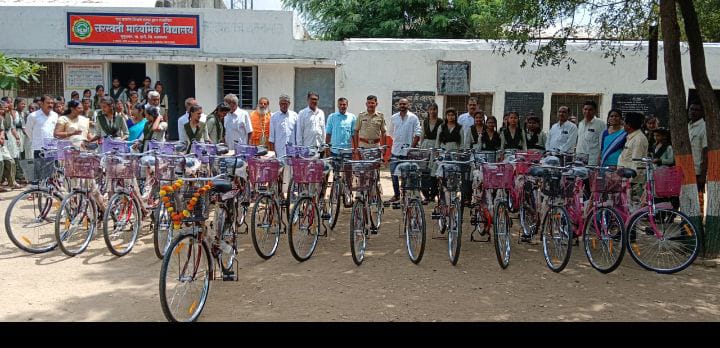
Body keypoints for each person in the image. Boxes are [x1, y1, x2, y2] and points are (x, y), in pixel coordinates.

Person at [388, 98, 421, 203]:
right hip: (395, 151)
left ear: (408, 105)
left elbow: (418, 134)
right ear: (398, 105)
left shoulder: (413, 118)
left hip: (408, 152)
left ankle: (406, 195)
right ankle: (396, 195)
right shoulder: (394, 118)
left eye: (404, 104)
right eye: (401, 104)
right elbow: (391, 133)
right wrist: (398, 142)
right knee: (394, 175)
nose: (402, 105)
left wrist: (411, 148)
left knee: (406, 175)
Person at [618, 112, 649, 202]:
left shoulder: (638, 139)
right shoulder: (631, 137)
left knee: (634, 210)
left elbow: (637, 163)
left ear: (629, 125)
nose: (623, 125)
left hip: (633, 182)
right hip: (626, 180)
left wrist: (629, 181)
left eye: (624, 123)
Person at [420, 103, 442, 204]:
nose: (433, 111)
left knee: (434, 170)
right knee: (424, 170)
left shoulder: (441, 122)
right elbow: (422, 135)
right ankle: (425, 194)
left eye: (434, 109)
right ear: (428, 111)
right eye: (431, 109)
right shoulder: (425, 122)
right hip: (426, 146)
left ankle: (433, 194)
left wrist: (438, 149)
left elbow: (440, 136)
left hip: (436, 147)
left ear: (437, 110)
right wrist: (421, 149)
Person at [26, 95, 59, 159]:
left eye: (52, 103)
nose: (50, 105)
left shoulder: (55, 115)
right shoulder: (33, 116)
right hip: (39, 148)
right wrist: (36, 140)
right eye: (48, 103)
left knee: (53, 168)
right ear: (41, 103)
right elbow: (28, 130)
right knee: (40, 168)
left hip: (52, 148)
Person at [688, 103, 707, 209]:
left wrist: (703, 175)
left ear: (702, 112)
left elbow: (706, 152)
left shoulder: (704, 128)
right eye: (691, 109)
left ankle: (697, 223)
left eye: (696, 109)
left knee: (698, 198)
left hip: (697, 171)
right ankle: (686, 223)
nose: (693, 112)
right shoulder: (688, 126)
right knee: (687, 197)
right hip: (686, 169)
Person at [575, 100, 605, 166]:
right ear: (582, 110)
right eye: (585, 109)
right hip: (579, 158)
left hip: (592, 160)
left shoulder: (600, 123)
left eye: (590, 110)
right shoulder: (581, 123)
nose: (587, 112)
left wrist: (600, 158)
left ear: (595, 111)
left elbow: (602, 142)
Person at [269, 94, 297, 160]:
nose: (284, 106)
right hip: (279, 152)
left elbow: (298, 135)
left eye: (286, 104)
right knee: (279, 170)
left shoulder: (295, 116)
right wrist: (273, 152)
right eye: (282, 104)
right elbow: (271, 137)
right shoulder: (274, 117)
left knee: (291, 169)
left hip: (292, 151)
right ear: (279, 104)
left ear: (289, 104)